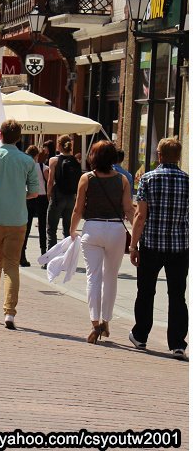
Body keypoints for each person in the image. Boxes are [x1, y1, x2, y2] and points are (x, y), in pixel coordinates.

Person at [68, 141, 135, 344]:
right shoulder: (122, 180)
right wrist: (138, 233)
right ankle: (106, 320)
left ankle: (95, 321)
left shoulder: (86, 178)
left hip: (93, 229)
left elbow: (78, 209)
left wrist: (72, 230)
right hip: (116, 229)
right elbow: (129, 210)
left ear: (93, 157)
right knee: (111, 277)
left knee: (93, 277)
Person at [128, 138, 188, 359]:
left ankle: (141, 335)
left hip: (152, 245)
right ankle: (178, 343)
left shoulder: (148, 179)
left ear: (159, 155)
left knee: (146, 291)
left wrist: (133, 245)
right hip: (180, 247)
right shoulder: (187, 181)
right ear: (179, 156)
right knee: (177, 295)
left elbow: (140, 215)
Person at [0, 120, 39, 330]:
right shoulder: (27, 161)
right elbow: (34, 192)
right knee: (12, 266)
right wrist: (18, 197)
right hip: (17, 219)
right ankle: (10, 313)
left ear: (0, 135)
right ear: (19, 137)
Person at [46, 134, 81, 249]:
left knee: (51, 229)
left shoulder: (54, 160)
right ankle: (67, 259)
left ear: (59, 146)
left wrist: (49, 195)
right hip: (71, 197)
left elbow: (50, 181)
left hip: (58, 195)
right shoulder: (75, 161)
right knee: (68, 230)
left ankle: (50, 259)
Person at [20, 145, 50, 267]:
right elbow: (49, 182)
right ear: (37, 155)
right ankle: (44, 258)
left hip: (28, 198)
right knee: (42, 228)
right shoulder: (43, 167)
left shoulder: (24, 167)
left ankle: (22, 256)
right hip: (42, 198)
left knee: (26, 227)